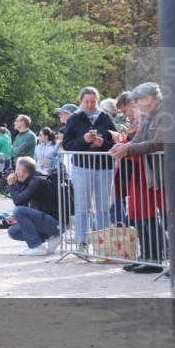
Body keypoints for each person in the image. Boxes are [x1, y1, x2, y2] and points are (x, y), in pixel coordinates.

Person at [109, 82, 167, 273]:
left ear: (149, 99)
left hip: (166, 174)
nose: (136, 104)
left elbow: (159, 143)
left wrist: (128, 149)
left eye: (138, 100)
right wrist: (123, 147)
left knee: (168, 220)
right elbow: (138, 140)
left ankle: (168, 262)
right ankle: (152, 258)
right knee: (154, 218)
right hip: (153, 174)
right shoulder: (149, 116)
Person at [61, 87, 116, 247]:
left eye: (93, 101)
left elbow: (115, 143)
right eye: (87, 102)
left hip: (104, 167)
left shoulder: (106, 117)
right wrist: (83, 140)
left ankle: (103, 242)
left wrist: (102, 143)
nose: (91, 105)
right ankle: (82, 241)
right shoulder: (74, 119)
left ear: (97, 101)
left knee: (103, 206)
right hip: (82, 167)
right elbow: (67, 144)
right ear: (81, 101)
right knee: (82, 206)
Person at [5, 157, 62, 256]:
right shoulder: (30, 180)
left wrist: (12, 185)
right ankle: (51, 238)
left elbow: (18, 202)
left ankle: (36, 246)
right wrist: (19, 219)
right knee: (13, 231)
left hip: (56, 223)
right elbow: (26, 203)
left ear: (24, 170)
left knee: (18, 211)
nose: (15, 172)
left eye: (17, 169)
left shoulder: (36, 181)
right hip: (48, 221)